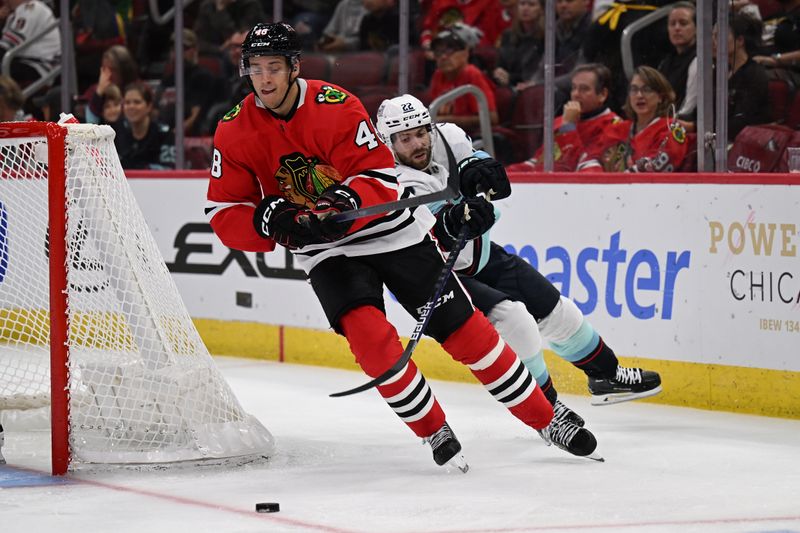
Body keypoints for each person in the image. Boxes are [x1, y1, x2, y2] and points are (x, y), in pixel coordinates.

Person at [205, 22, 598, 471]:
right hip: (328, 252)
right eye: (255, 69)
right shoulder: (233, 129)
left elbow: (377, 175)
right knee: (371, 342)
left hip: (391, 232)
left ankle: (547, 419)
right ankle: (433, 429)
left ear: (293, 67)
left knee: (468, 331)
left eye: (273, 67)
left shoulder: (336, 105)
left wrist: (350, 197)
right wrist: (269, 221)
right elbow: (224, 212)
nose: (264, 79)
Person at [375, 94, 663, 425]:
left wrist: (481, 170)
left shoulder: (449, 137)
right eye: (405, 138)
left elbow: (474, 168)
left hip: (481, 256)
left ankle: (606, 376)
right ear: (388, 142)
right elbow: (437, 231)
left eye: (421, 132)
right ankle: (547, 409)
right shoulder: (393, 181)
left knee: (558, 311)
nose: (418, 143)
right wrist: (455, 220)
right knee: (517, 322)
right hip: (441, 276)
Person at [507, 63, 622, 171]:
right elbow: (539, 162)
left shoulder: (614, 127)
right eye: (573, 88)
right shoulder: (560, 121)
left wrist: (568, 128)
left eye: (584, 89)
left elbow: (578, 167)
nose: (576, 94)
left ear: (602, 94)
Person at [576, 65, 688, 172]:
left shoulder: (672, 129)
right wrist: (598, 177)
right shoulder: (618, 129)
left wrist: (620, 179)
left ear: (661, 97)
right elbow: (589, 159)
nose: (639, 95)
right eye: (634, 89)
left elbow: (657, 166)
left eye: (647, 89)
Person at [428, 23, 498, 134]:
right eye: (439, 52)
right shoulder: (438, 75)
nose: (443, 57)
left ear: (466, 53)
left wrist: (447, 121)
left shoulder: (471, 74)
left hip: (470, 139)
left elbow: (491, 118)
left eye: (449, 51)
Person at [713, 11, 770, 143]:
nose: (713, 42)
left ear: (739, 41)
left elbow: (742, 121)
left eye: (718, 36)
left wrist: (698, 128)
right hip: (715, 137)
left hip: (744, 143)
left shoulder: (755, 74)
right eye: (713, 36)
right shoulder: (717, 72)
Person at [112, 81, 175, 169]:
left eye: (137, 102)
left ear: (149, 106)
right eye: (127, 102)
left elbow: (168, 169)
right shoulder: (115, 132)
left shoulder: (164, 133)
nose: (131, 106)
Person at [0, 0, 60, 88]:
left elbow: (6, 47)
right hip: (25, 61)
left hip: (41, 66)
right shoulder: (15, 14)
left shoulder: (31, 8)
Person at [657, 1, 697, 125]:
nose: (677, 28)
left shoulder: (699, 60)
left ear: (697, 27)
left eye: (683, 23)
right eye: (672, 24)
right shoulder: (666, 62)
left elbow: (688, 109)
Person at [493, 0, 545, 92]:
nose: (525, 8)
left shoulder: (546, 37)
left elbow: (535, 72)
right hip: (507, 85)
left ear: (541, 10)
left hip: (533, 86)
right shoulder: (508, 35)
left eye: (531, 5)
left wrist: (510, 78)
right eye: (522, 4)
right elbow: (500, 64)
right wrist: (499, 73)